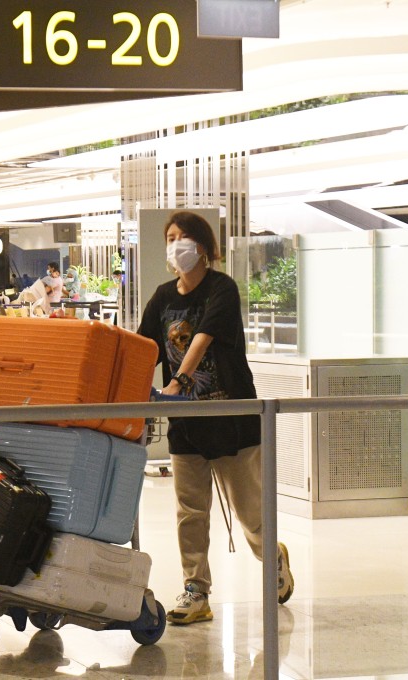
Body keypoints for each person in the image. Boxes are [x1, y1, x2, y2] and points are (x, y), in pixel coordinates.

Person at [137, 210, 294, 626]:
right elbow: (142, 346)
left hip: (231, 417)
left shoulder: (221, 288)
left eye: (184, 236)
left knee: (250, 513)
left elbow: (203, 339)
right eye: (170, 237)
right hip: (186, 425)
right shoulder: (162, 297)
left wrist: (179, 383)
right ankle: (196, 590)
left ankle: (272, 556)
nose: (176, 244)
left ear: (203, 247)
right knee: (190, 512)